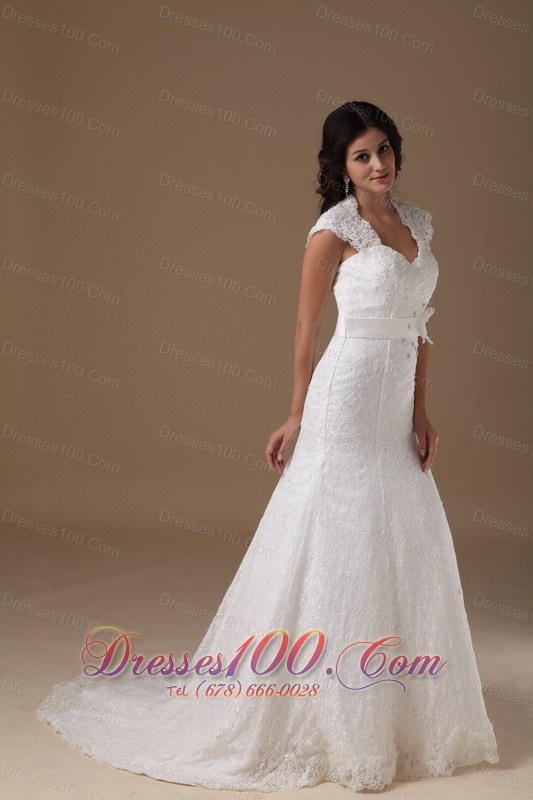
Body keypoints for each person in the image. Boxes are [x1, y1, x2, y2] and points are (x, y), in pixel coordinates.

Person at [36, 100, 499, 793]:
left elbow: (419, 324)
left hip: (394, 402)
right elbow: (306, 329)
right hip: (345, 397)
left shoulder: (419, 225)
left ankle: (397, 703)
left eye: (383, 149)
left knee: (405, 532)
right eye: (361, 156)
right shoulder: (333, 230)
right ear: (341, 167)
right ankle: (330, 709)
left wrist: (421, 411)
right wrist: (295, 413)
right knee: (339, 534)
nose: (378, 164)